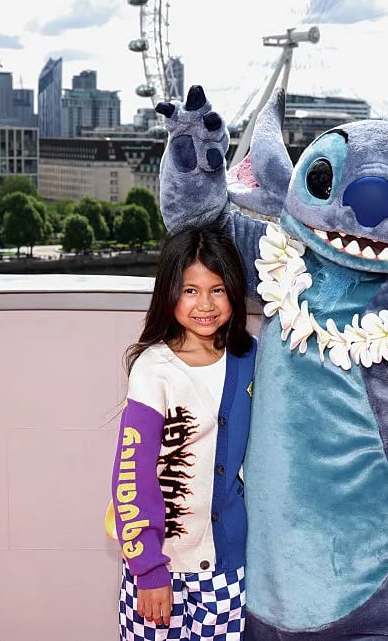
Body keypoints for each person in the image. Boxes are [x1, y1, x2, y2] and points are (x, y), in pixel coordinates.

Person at [109, 225, 256, 641]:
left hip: (227, 570)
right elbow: (132, 475)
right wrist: (148, 570)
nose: (205, 304)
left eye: (217, 290)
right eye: (191, 290)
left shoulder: (249, 358)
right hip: (160, 569)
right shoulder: (153, 369)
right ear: (169, 292)